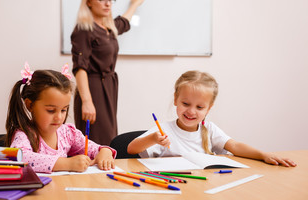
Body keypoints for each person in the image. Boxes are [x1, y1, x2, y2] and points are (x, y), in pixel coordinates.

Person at [127, 70, 296, 167]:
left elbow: (235, 146)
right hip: (172, 186)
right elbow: (131, 149)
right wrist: (152, 139)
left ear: (209, 108)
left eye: (200, 107)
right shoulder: (164, 130)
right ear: (176, 99)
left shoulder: (210, 129)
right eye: (186, 103)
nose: (191, 111)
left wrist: (263, 155)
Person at [5, 62, 116, 173]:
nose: (59, 117)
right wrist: (67, 163)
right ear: (30, 105)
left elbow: (94, 149)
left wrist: (105, 152)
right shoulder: (24, 135)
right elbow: (19, 158)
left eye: (63, 110)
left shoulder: (67, 133)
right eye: (51, 110)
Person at [71, 0, 144, 145]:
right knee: (97, 139)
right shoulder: (84, 29)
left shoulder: (108, 27)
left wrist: (135, 4)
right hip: (93, 88)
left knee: (109, 136)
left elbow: (123, 22)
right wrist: (87, 102)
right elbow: (80, 68)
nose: (108, 4)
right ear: (89, 1)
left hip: (109, 87)